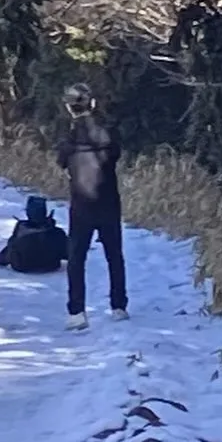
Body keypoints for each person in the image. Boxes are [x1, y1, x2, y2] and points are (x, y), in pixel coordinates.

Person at [56, 82, 128, 331]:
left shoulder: (69, 139)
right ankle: (118, 306)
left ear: (68, 107)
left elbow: (61, 162)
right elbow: (116, 155)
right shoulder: (108, 135)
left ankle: (77, 312)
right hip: (108, 201)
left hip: (81, 204)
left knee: (77, 257)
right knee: (114, 255)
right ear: (93, 104)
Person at [0, 195, 69, 273]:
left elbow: (12, 247)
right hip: (51, 267)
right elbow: (69, 254)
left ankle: (1, 257)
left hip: (23, 267)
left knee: (13, 243)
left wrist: (1, 260)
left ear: (28, 213)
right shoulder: (57, 232)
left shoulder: (21, 231)